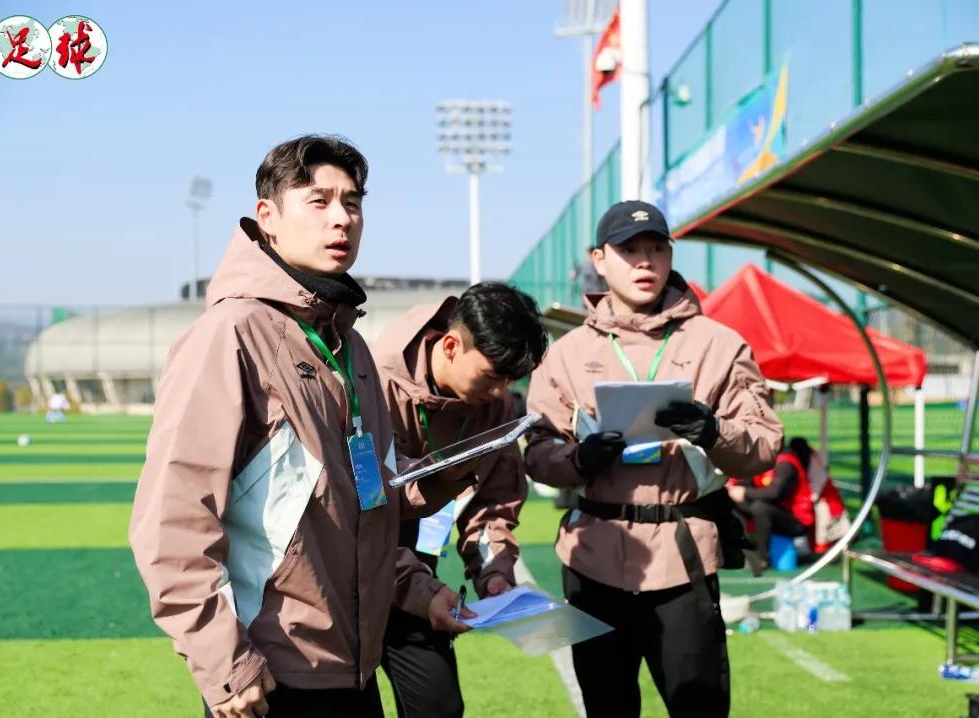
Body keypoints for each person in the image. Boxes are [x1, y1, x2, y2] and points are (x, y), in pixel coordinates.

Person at [129, 135, 472, 718]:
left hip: (353, 671)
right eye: (319, 201)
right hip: (269, 676)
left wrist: (422, 581)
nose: (342, 218)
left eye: (353, 202)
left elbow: (364, 508)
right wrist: (225, 663)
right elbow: (172, 520)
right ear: (267, 217)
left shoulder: (352, 348)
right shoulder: (231, 334)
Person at [524, 200, 783, 718]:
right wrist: (579, 459)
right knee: (607, 708)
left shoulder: (720, 345)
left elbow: (764, 443)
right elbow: (537, 450)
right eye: (629, 250)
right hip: (592, 558)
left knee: (700, 708)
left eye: (656, 248)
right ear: (599, 259)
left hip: (685, 558)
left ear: (670, 255)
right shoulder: (567, 352)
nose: (645, 261)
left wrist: (715, 432)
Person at [372, 281, 548, 717]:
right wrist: (421, 590)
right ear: (451, 346)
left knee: (440, 707)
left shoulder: (496, 405)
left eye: (510, 381)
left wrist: (494, 572)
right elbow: (355, 519)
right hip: (345, 573)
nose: (499, 392)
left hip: (417, 575)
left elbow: (494, 501)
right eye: (491, 376)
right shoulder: (369, 382)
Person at [729, 437, 848, 562]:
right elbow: (748, 482)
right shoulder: (764, 460)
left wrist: (745, 492)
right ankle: (744, 548)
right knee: (731, 502)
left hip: (798, 520)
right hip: (777, 510)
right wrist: (735, 489)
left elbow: (774, 493)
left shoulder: (785, 463)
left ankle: (761, 557)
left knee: (760, 508)